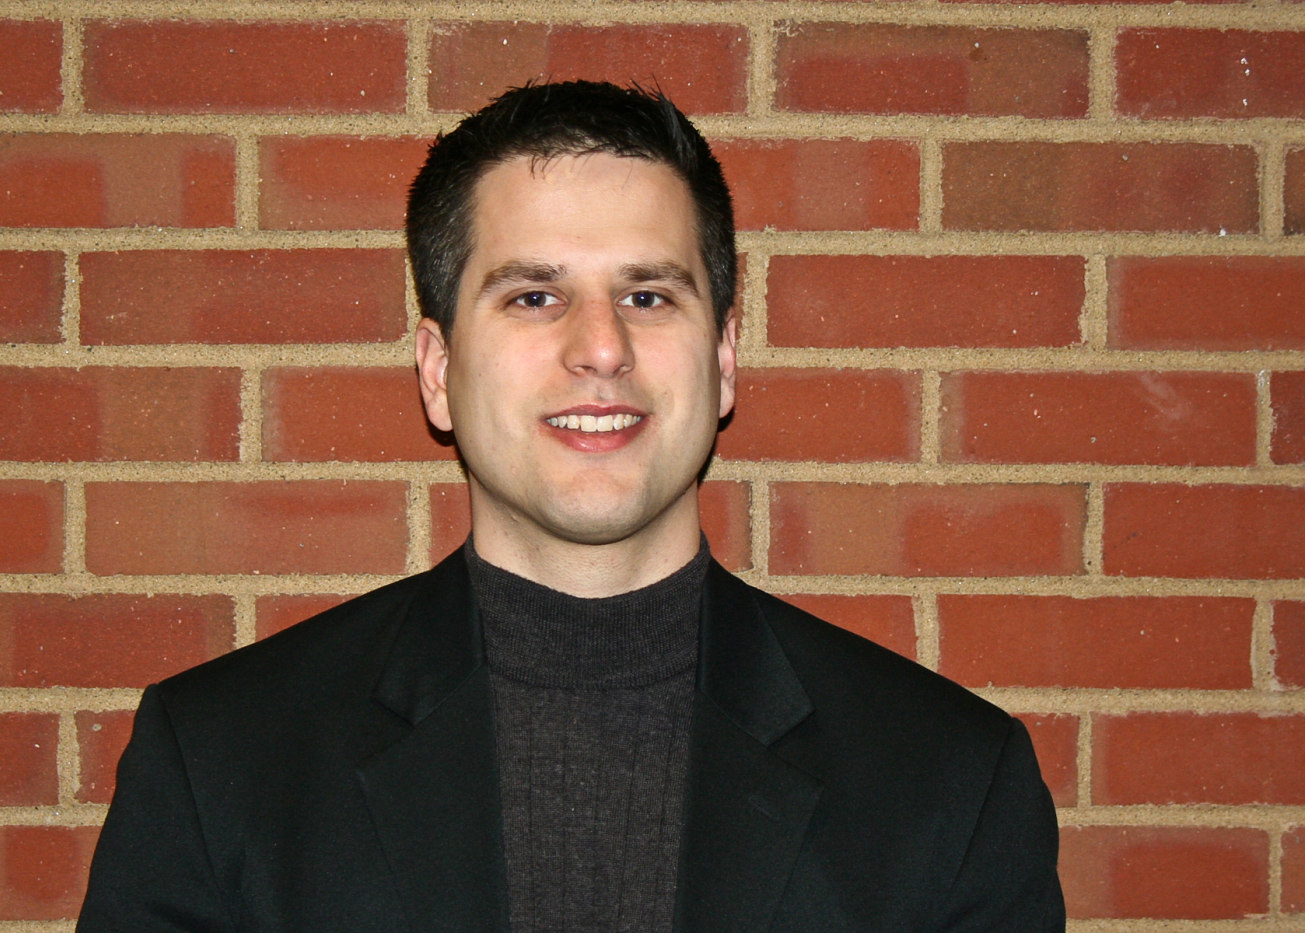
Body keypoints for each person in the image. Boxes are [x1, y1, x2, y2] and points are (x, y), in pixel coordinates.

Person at [78, 81, 1064, 933]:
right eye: (533, 297)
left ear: (723, 360)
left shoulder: (946, 781)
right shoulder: (221, 763)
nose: (600, 348)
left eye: (647, 296)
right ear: (438, 371)